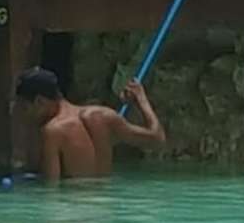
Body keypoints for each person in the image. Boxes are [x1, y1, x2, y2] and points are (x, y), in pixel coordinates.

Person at [14, 67, 166, 181]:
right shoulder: (104, 116)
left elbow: (51, 191)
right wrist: (141, 99)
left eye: (25, 108)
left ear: (40, 101)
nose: (25, 116)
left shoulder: (52, 132)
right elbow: (158, 139)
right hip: (106, 207)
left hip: (77, 209)